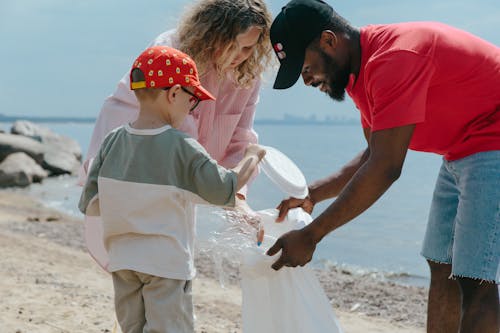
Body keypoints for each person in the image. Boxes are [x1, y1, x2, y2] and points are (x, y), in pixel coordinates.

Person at [266, 0, 500, 332]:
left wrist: (312, 235)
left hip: (492, 140)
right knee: (441, 263)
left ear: (329, 41)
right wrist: (311, 195)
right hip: (461, 149)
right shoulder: (362, 73)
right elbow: (373, 154)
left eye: (305, 69)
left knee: (474, 278)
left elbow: (387, 167)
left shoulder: (394, 59)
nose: (307, 81)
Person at [79, 46, 265, 333]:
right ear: (174, 93)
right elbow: (223, 188)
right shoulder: (182, 146)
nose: (192, 109)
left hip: (123, 260)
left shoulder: (112, 141)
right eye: (192, 101)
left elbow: (90, 202)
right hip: (165, 263)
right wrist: (251, 156)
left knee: (132, 328)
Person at [81, 0, 272, 211]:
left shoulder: (247, 77)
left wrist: (237, 198)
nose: (237, 55)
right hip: (138, 172)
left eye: (247, 48)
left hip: (182, 185)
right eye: (230, 44)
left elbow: (240, 138)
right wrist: (252, 157)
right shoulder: (170, 55)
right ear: (211, 31)